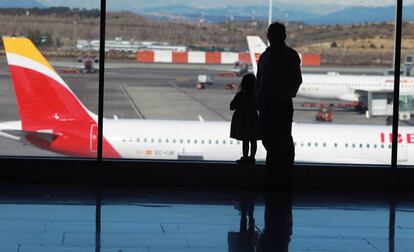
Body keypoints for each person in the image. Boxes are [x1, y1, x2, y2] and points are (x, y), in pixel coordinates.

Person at [256, 22, 302, 188]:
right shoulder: (267, 56)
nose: (271, 37)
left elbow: (296, 80)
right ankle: (274, 178)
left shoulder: (288, 56)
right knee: (270, 143)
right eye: (270, 34)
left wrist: (283, 96)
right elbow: (259, 80)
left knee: (282, 143)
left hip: (279, 107)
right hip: (267, 106)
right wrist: (259, 100)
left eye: (273, 34)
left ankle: (282, 178)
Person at [230, 73, 261, 164]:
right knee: (253, 140)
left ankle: (245, 157)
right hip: (253, 120)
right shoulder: (255, 96)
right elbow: (259, 107)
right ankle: (252, 158)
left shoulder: (240, 95)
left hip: (242, 120)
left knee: (245, 140)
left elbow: (232, 106)